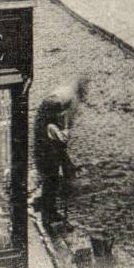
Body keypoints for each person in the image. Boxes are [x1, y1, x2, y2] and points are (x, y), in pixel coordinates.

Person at [31, 77, 88, 231]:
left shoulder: (47, 122)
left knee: (51, 183)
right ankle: (48, 217)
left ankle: (50, 212)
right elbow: (61, 141)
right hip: (46, 156)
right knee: (50, 183)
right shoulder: (52, 127)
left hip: (46, 154)